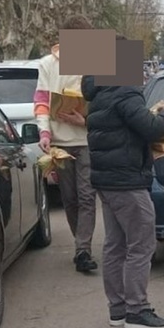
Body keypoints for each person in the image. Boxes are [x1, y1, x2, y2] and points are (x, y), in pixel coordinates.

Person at [82, 39, 164, 328]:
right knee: (142, 243)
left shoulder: (99, 94)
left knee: (115, 245)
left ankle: (119, 308)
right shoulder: (124, 91)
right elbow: (150, 128)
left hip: (107, 179)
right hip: (126, 181)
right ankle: (137, 310)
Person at [33, 15, 99, 274]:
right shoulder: (47, 65)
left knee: (87, 196)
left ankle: (83, 250)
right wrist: (45, 133)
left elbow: (108, 100)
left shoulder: (98, 60)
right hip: (60, 143)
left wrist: (85, 119)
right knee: (70, 199)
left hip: (86, 140)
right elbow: (41, 101)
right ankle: (80, 242)